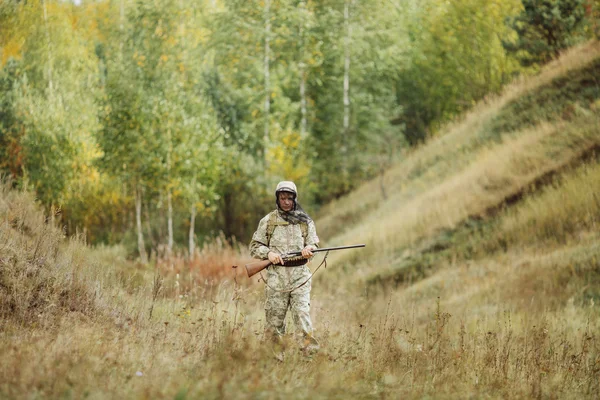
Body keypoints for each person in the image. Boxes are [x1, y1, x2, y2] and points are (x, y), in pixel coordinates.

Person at [249, 181, 320, 355]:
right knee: (274, 320)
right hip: (276, 277)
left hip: (300, 277)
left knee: (302, 316)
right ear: (277, 199)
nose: (286, 202)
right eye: (283, 198)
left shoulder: (305, 221)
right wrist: (268, 254)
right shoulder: (268, 221)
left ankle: (309, 357)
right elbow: (254, 246)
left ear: (295, 198)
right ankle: (275, 358)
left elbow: (314, 245)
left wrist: (309, 250)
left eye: (290, 198)